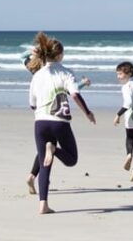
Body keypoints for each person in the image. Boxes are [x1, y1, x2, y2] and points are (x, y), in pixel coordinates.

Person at [28, 32, 96, 214]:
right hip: (60, 123)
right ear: (59, 55)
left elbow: (32, 104)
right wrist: (88, 113)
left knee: (44, 165)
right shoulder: (66, 73)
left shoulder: (37, 75)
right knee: (71, 159)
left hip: (40, 122)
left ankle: (43, 205)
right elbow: (74, 94)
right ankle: (54, 149)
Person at [22, 49, 90, 195]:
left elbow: (35, 103)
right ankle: (33, 176)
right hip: (57, 115)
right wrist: (83, 84)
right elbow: (69, 91)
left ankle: (32, 177)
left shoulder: (38, 74)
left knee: (44, 151)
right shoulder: (50, 72)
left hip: (41, 117)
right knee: (51, 150)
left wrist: (34, 51)